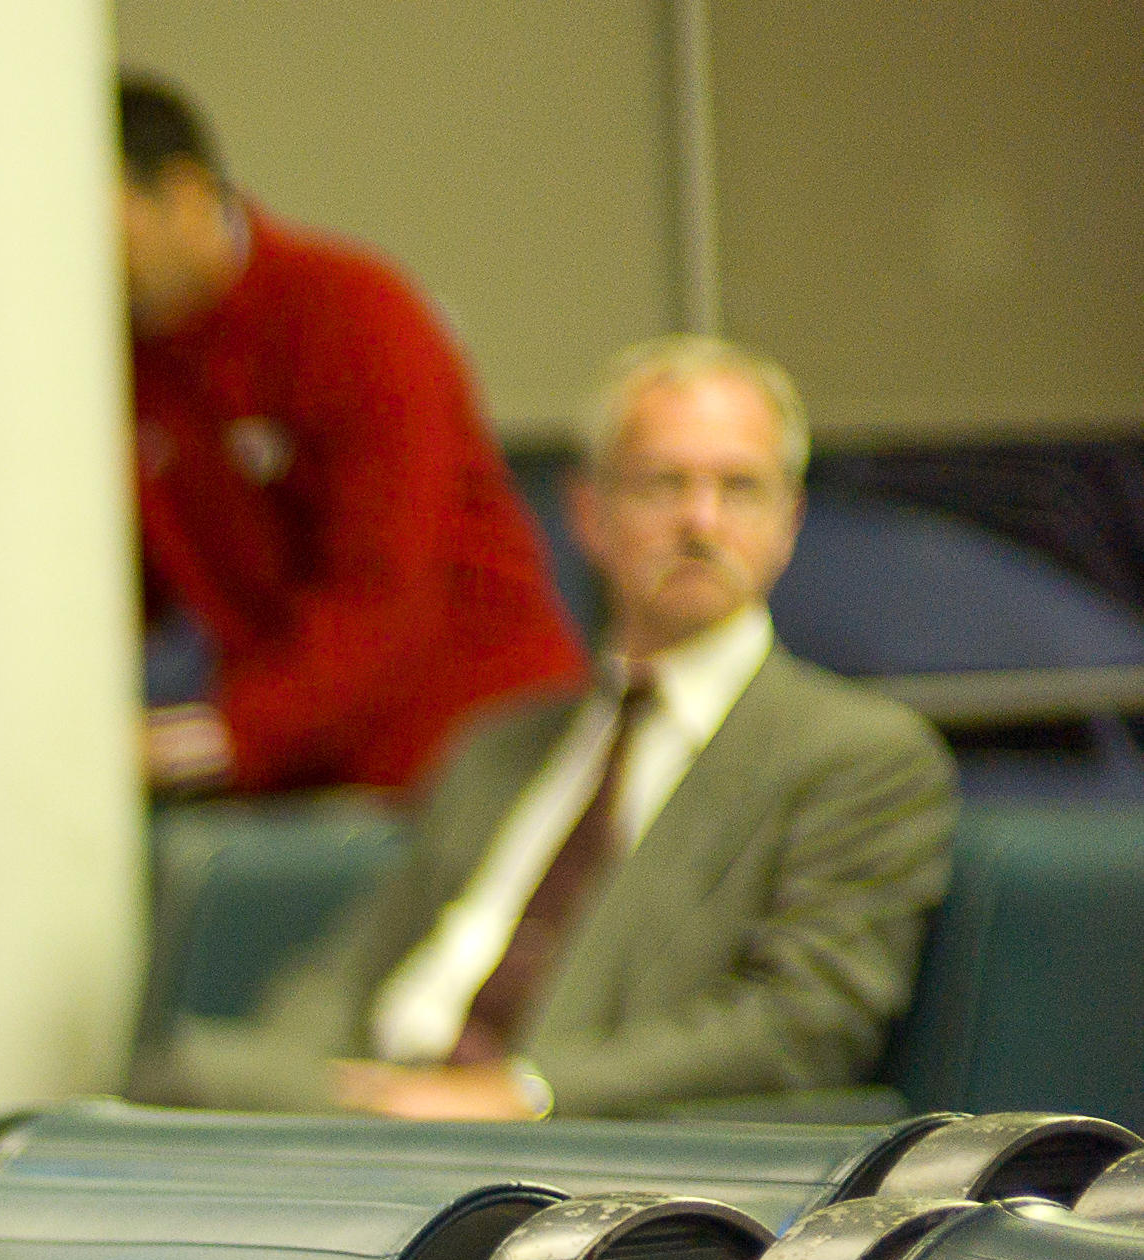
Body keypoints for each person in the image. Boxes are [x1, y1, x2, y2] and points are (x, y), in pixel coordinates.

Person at [144, 338, 954, 1121]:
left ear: (789, 521)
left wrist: (524, 1093)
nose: (700, 522)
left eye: (739, 488)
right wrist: (289, 1101)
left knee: (172, 1094)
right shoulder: (499, 747)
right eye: (662, 485)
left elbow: (805, 1028)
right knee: (174, 1085)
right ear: (589, 515)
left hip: (570, 1152)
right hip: (382, 1118)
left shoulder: (856, 755)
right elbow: (350, 972)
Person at [120, 74, 587, 799]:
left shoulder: (352, 315)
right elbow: (121, 582)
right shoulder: (120, 358)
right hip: (302, 766)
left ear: (182, 194)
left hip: (468, 759)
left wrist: (220, 738)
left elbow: (386, 597)